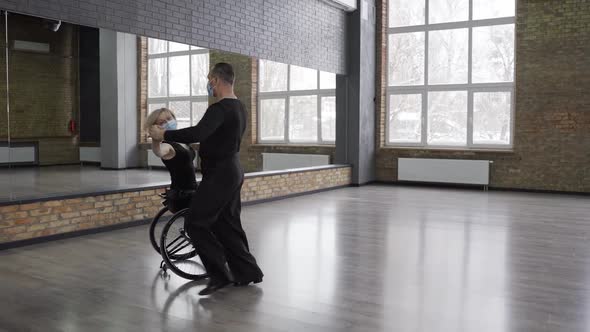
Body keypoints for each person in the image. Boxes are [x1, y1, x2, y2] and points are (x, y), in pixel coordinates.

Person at [149, 62, 263, 296]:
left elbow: (198, 132)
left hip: (220, 175)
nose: (208, 84)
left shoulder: (219, 109)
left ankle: (220, 275)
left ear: (215, 80)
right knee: (228, 224)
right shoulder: (239, 107)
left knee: (195, 223)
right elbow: (215, 138)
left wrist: (164, 134)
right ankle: (247, 272)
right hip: (232, 171)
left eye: (210, 79)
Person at [144, 108, 197, 213]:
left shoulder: (181, 140)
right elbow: (158, 151)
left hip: (193, 189)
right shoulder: (167, 145)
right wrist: (155, 140)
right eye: (162, 122)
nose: (168, 123)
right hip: (183, 193)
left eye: (169, 119)